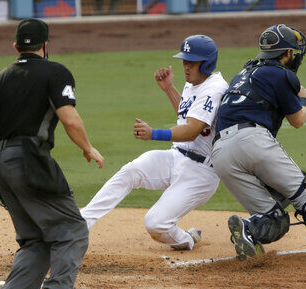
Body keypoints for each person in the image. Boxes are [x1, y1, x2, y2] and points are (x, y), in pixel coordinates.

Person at [0, 18, 104, 289]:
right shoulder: (55, 72)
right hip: (32, 160)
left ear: (16, 47)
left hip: (4, 161)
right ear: (46, 45)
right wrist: (88, 147)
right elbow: (69, 118)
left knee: (35, 240)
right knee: (72, 229)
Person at [211, 24, 306, 265]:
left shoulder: (243, 73)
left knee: (274, 218)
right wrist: (305, 99)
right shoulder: (281, 73)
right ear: (288, 53)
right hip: (252, 140)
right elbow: (298, 119)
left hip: (220, 154)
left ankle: (249, 228)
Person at [81, 35, 228, 251]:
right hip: (177, 156)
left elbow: (192, 130)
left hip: (201, 173)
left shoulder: (214, 88)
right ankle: (80, 223)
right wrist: (169, 88)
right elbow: (187, 115)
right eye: (184, 61)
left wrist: (154, 133)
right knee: (130, 171)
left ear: (207, 63)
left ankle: (186, 239)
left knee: (155, 224)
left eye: (191, 62)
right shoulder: (194, 83)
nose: (185, 66)